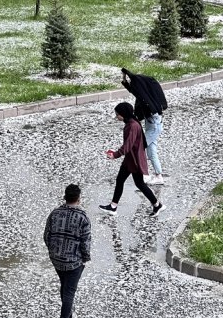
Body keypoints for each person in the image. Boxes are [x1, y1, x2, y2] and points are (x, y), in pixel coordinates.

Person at [100, 102, 165, 217]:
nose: (117, 117)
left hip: (134, 160)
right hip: (131, 159)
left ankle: (157, 204)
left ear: (123, 114)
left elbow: (128, 145)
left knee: (139, 184)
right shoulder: (132, 123)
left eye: (117, 114)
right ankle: (113, 206)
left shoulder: (132, 125)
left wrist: (115, 154)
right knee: (121, 180)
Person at [44, 184, 91, 318]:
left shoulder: (55, 213)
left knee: (64, 286)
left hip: (56, 259)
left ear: (65, 197)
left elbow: (46, 235)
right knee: (69, 292)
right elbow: (85, 241)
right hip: (74, 262)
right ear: (78, 198)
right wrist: (85, 258)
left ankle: (68, 314)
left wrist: (53, 251)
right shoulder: (83, 217)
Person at [121, 68, 167, 185]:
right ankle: (158, 175)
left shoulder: (147, 98)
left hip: (154, 126)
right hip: (153, 125)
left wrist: (128, 77)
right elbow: (136, 92)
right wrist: (125, 80)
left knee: (140, 147)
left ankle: (144, 174)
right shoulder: (149, 95)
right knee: (151, 151)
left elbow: (138, 92)